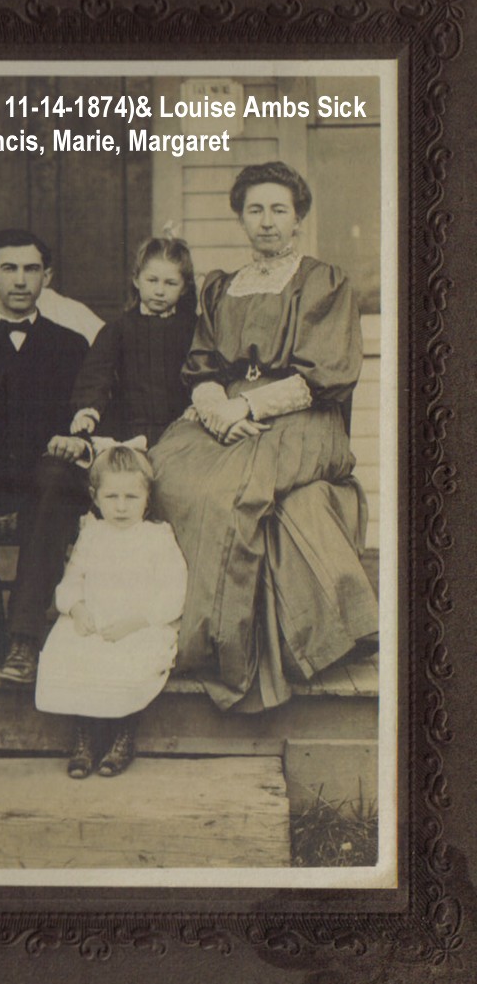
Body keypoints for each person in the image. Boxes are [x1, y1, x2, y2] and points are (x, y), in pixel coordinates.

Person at [149, 161, 379, 712]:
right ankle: (166, 625)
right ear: (241, 218)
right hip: (228, 411)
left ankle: (219, 643)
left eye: (279, 209)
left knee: (225, 492)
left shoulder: (323, 282)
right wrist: (215, 410)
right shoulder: (222, 287)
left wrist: (248, 405)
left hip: (302, 414)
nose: (267, 221)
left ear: (298, 218)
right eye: (255, 210)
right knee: (166, 470)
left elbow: (325, 375)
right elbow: (203, 366)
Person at [0, 229, 91, 680]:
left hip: (45, 472)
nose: (21, 280)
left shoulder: (72, 344)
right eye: (9, 269)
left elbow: (89, 412)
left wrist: (77, 440)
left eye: (31, 269)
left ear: (48, 276)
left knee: (56, 482)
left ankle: (24, 636)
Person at [35, 446, 187, 777]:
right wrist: (77, 608)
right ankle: (85, 738)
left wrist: (137, 622)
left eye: (131, 497)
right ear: (95, 497)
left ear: (147, 498)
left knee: (128, 660)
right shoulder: (92, 534)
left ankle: (122, 736)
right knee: (73, 651)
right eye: (111, 496)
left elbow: (173, 590)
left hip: (141, 622)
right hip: (96, 618)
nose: (120, 507)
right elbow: (72, 579)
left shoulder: (157, 537)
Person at [68, 235, 198, 448]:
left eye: (170, 283)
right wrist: (88, 412)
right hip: (128, 430)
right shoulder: (118, 329)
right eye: (152, 280)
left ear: (184, 288)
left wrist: (198, 406)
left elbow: (205, 372)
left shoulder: (193, 329)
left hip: (182, 428)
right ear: (137, 280)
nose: (159, 291)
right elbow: (96, 375)